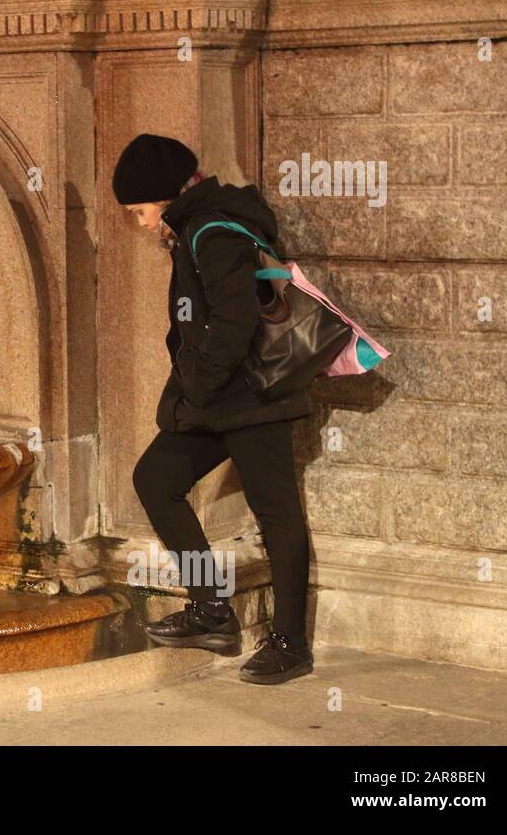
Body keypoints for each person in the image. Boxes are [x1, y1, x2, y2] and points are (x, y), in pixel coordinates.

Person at [112, 133, 314, 685]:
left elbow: (234, 321)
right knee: (156, 478)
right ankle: (213, 610)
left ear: (166, 196)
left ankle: (291, 643)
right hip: (218, 399)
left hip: (251, 397)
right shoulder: (197, 227)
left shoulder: (211, 231)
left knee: (277, 516)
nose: (140, 223)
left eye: (140, 211)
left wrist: (196, 387)